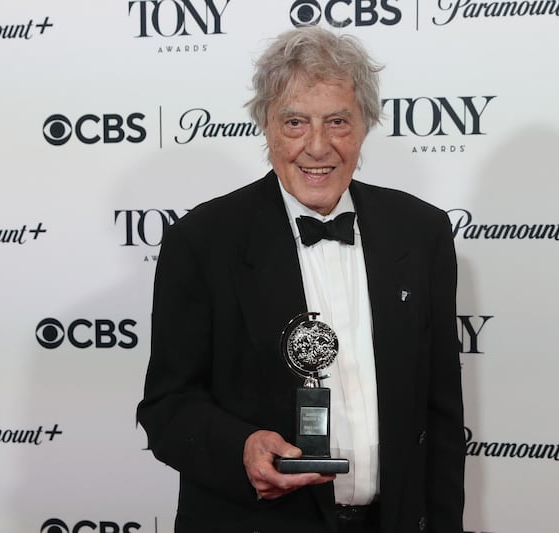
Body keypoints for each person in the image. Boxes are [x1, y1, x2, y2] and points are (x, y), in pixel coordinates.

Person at [137, 26, 464, 533]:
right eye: (295, 122)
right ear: (266, 126)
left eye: (338, 121)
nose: (317, 146)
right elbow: (167, 408)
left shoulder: (421, 232)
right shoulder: (203, 241)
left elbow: (441, 415)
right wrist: (241, 448)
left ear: (364, 126)